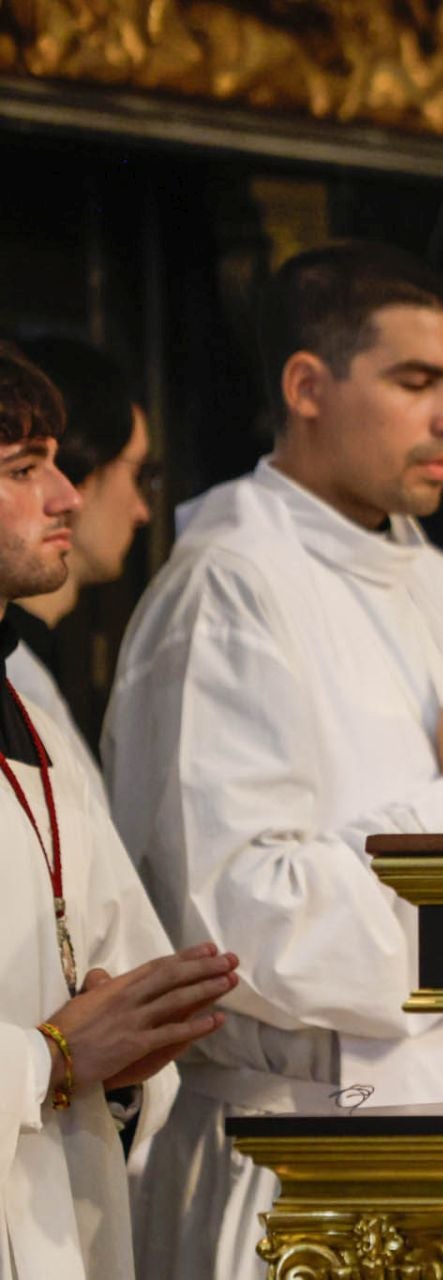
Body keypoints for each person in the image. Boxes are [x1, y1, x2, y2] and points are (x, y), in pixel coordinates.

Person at [102, 243, 443, 1279]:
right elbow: (239, 931)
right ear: (306, 386)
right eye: (417, 380)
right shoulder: (228, 590)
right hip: (297, 1169)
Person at [0, 343, 239, 1278]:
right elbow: (62, 1047)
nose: (67, 494)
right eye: (23, 469)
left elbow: (105, 966)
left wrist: (124, 1055)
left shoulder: (33, 728)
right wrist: (55, 1059)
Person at [3, 336, 154, 762]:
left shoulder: (31, 675)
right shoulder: (20, 673)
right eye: (139, 474)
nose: (68, 496)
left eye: (53, 463)